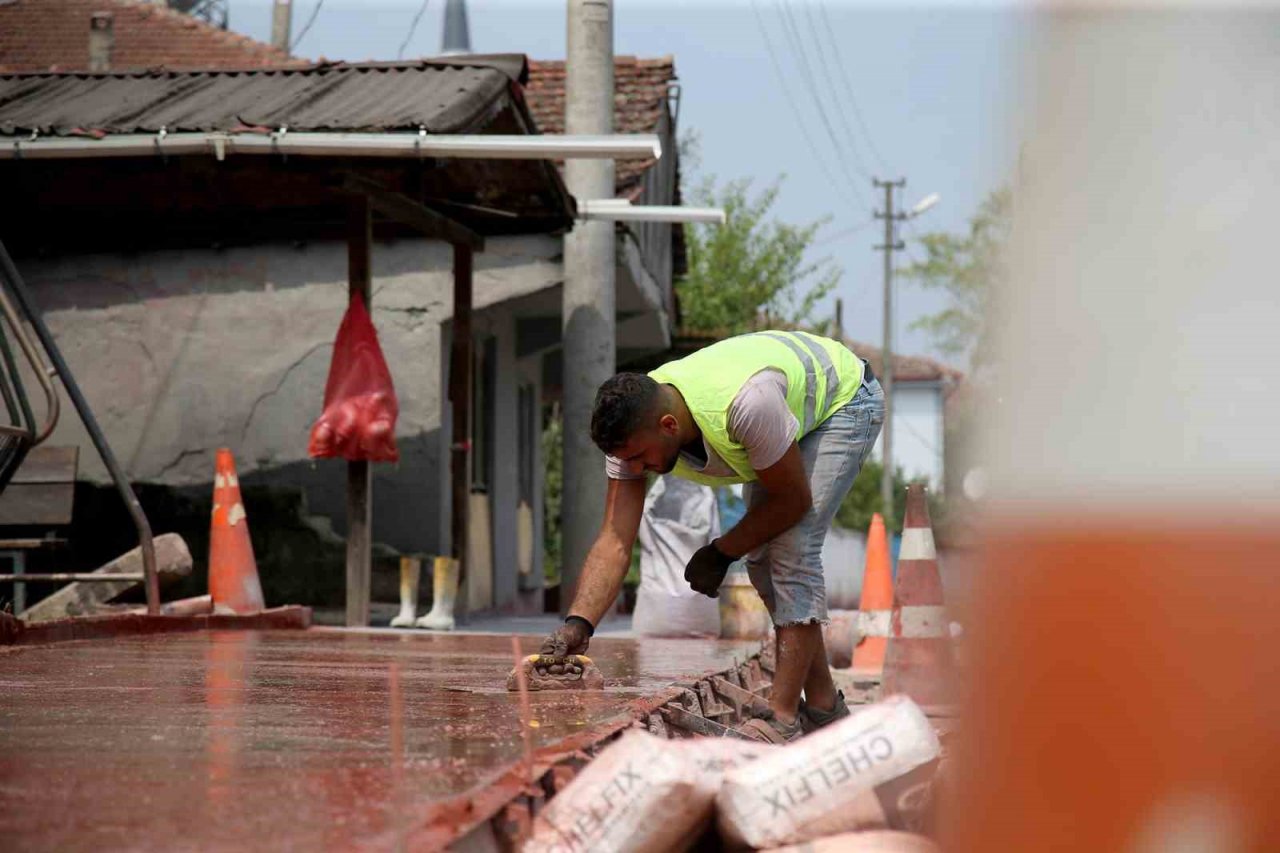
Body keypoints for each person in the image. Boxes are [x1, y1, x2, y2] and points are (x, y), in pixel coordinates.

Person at [540, 330, 885, 742]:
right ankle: (825, 707)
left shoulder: (745, 406)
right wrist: (579, 625)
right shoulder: (636, 429)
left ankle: (782, 716)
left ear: (668, 426)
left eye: (638, 457)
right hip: (780, 409)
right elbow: (615, 539)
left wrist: (721, 552)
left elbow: (791, 501)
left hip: (843, 399)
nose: (636, 468)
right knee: (761, 561)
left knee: (792, 549)